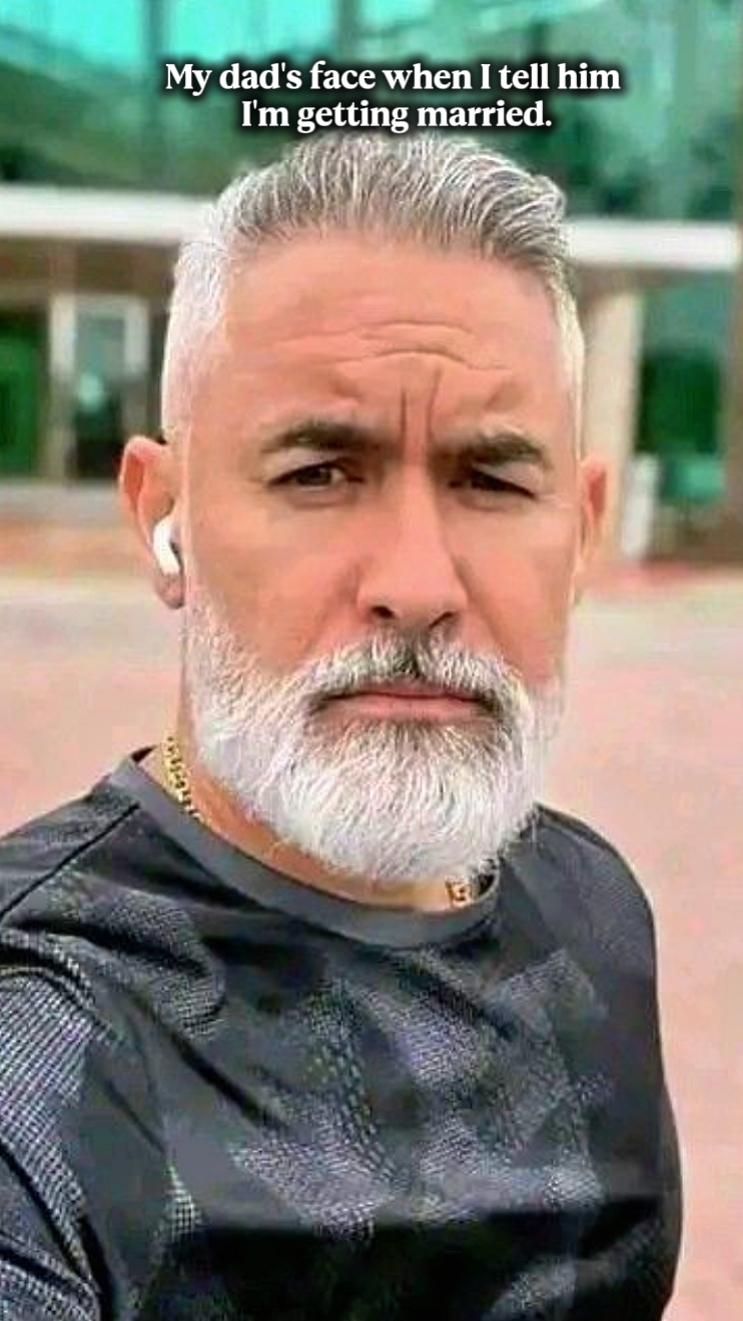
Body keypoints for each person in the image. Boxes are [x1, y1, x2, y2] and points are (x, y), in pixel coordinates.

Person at [0, 133, 681, 1320]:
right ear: (164, 516)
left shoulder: (590, 908)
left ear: (578, 532)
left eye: (490, 480)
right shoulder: (42, 1026)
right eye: (318, 471)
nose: (415, 583)